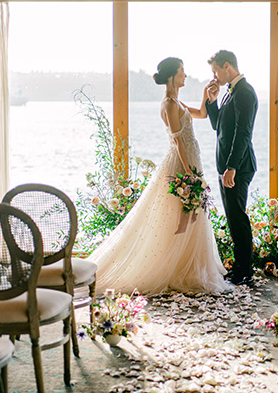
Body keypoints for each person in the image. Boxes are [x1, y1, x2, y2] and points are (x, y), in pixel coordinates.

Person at [88, 57, 228, 295]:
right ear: (173, 76)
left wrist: (207, 93)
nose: (185, 75)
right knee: (178, 215)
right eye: (182, 72)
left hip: (192, 160)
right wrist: (190, 174)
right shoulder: (169, 104)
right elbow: (177, 141)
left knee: (192, 215)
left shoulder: (177, 102)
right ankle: (172, 269)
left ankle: (187, 268)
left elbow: (203, 114)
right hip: (182, 164)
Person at [205, 50, 258, 286]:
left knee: (238, 218)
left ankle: (245, 270)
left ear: (227, 66)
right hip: (226, 166)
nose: (215, 76)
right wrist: (212, 100)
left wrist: (232, 167)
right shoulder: (229, 93)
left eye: (216, 70)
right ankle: (240, 267)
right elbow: (218, 126)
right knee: (233, 218)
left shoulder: (245, 92)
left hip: (238, 167)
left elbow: (243, 133)